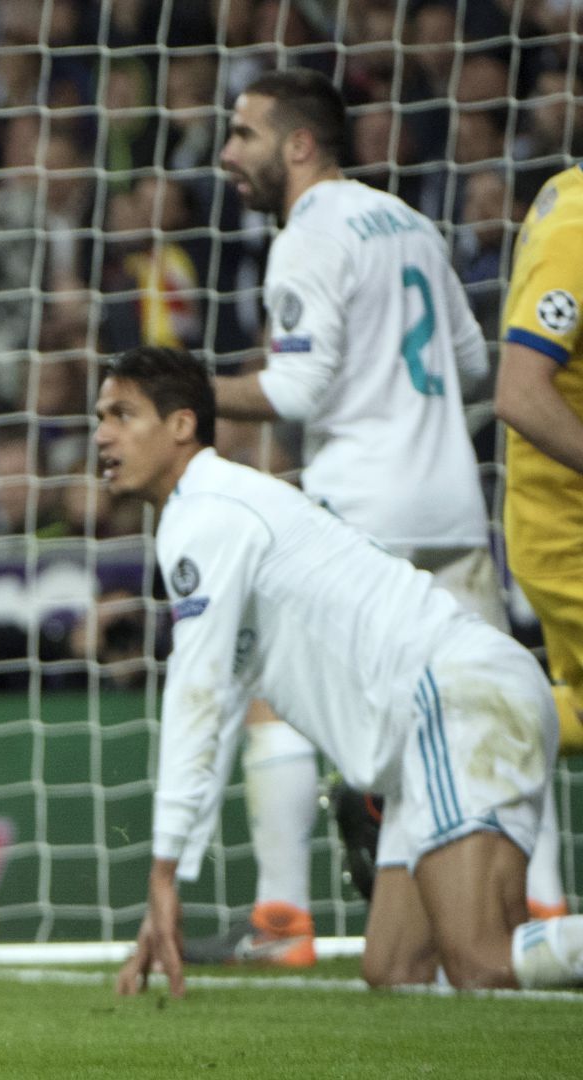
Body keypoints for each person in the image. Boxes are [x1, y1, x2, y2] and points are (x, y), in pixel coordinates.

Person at [208, 68, 565, 961]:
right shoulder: (409, 222)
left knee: (275, 697)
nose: (227, 154)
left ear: (299, 145)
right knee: (495, 710)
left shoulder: (307, 236)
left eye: (244, 134)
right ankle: (544, 907)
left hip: (361, 516)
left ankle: (282, 919)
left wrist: (180, 394)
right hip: (452, 509)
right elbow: (473, 363)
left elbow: (298, 389)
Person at [96, 345, 583, 997]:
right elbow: (219, 702)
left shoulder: (208, 513)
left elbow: (197, 692)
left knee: (481, 961)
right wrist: (173, 869)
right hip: (442, 715)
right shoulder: (222, 504)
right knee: (395, 970)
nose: (102, 435)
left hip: (453, 699)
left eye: (122, 414)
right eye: (100, 417)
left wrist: (163, 871)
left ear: (182, 424)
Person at [494, 165, 583, 763]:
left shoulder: (565, 191)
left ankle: (435, 738)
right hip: (568, 537)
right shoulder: (574, 229)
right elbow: (520, 393)